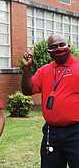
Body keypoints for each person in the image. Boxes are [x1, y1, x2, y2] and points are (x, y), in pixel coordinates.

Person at [21, 33, 79, 168]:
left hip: (76, 132)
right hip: (51, 133)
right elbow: (27, 90)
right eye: (53, 47)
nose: (58, 48)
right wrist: (27, 68)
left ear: (68, 46)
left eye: (61, 45)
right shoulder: (44, 70)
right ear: (49, 52)